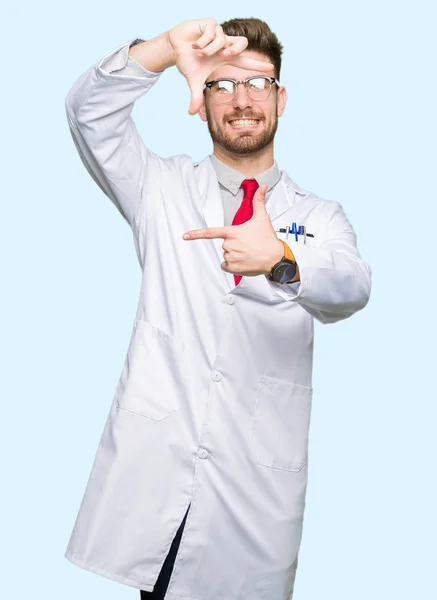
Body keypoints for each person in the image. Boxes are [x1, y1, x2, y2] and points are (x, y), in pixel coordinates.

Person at [64, 17, 372, 600]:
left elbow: (352, 287)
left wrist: (281, 260)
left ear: (281, 98)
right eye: (221, 86)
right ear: (201, 103)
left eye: (257, 83)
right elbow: (88, 113)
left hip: (254, 494)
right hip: (161, 477)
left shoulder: (321, 215)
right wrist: (161, 51)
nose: (241, 100)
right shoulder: (159, 186)